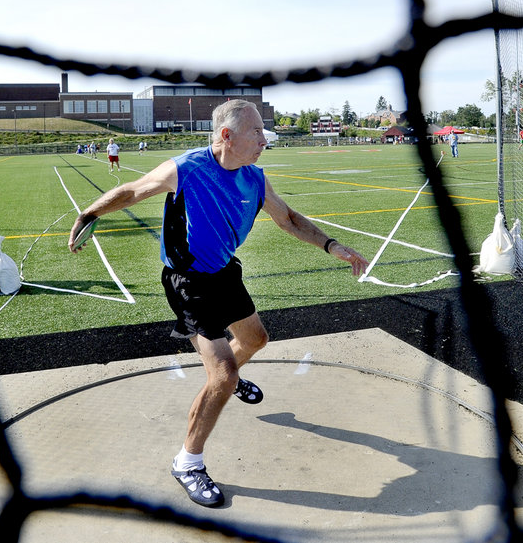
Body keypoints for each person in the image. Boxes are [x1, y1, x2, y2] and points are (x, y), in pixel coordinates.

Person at [68, 100, 369, 508]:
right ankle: (188, 462)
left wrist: (333, 246)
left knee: (257, 338)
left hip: (225, 272)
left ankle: (227, 378)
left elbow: (289, 219)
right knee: (223, 375)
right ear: (226, 136)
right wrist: (89, 213)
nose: (265, 140)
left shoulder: (255, 178)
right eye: (257, 133)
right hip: (188, 281)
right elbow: (132, 191)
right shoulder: (187, 168)